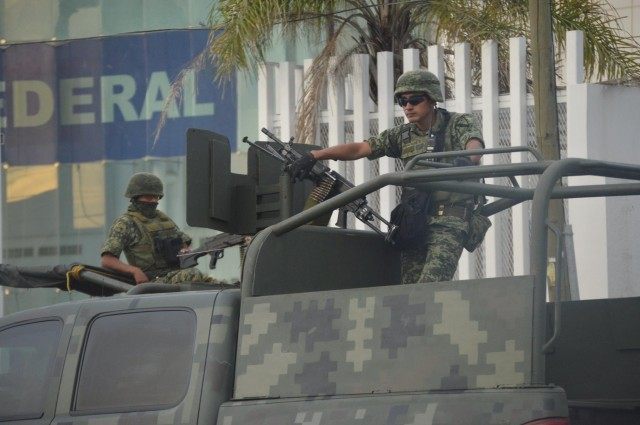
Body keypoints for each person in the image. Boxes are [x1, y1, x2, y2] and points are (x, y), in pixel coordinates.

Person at [291, 69, 486, 284]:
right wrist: (316, 155)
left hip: (450, 220)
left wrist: (468, 159)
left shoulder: (458, 123)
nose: (408, 106)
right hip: (416, 222)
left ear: (432, 99)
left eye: (415, 100)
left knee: (431, 285)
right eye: (402, 101)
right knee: (410, 290)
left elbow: (474, 143)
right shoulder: (401, 135)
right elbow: (360, 149)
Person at [100, 172, 218, 285]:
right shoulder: (125, 223)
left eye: (156, 197)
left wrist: (187, 251)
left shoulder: (162, 219)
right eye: (148, 197)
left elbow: (183, 243)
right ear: (135, 197)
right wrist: (135, 271)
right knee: (192, 274)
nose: (153, 201)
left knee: (216, 285)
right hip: (152, 280)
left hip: (174, 275)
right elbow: (107, 260)